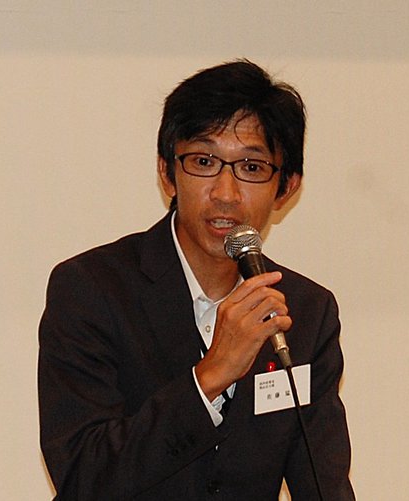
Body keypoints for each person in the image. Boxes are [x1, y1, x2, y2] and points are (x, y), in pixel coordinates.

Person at [38, 59, 354, 500]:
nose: (225, 193)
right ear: (167, 172)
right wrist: (211, 375)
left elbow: (323, 485)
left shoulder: (305, 312)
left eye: (252, 167)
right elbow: (81, 477)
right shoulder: (91, 290)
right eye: (203, 161)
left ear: (286, 187)